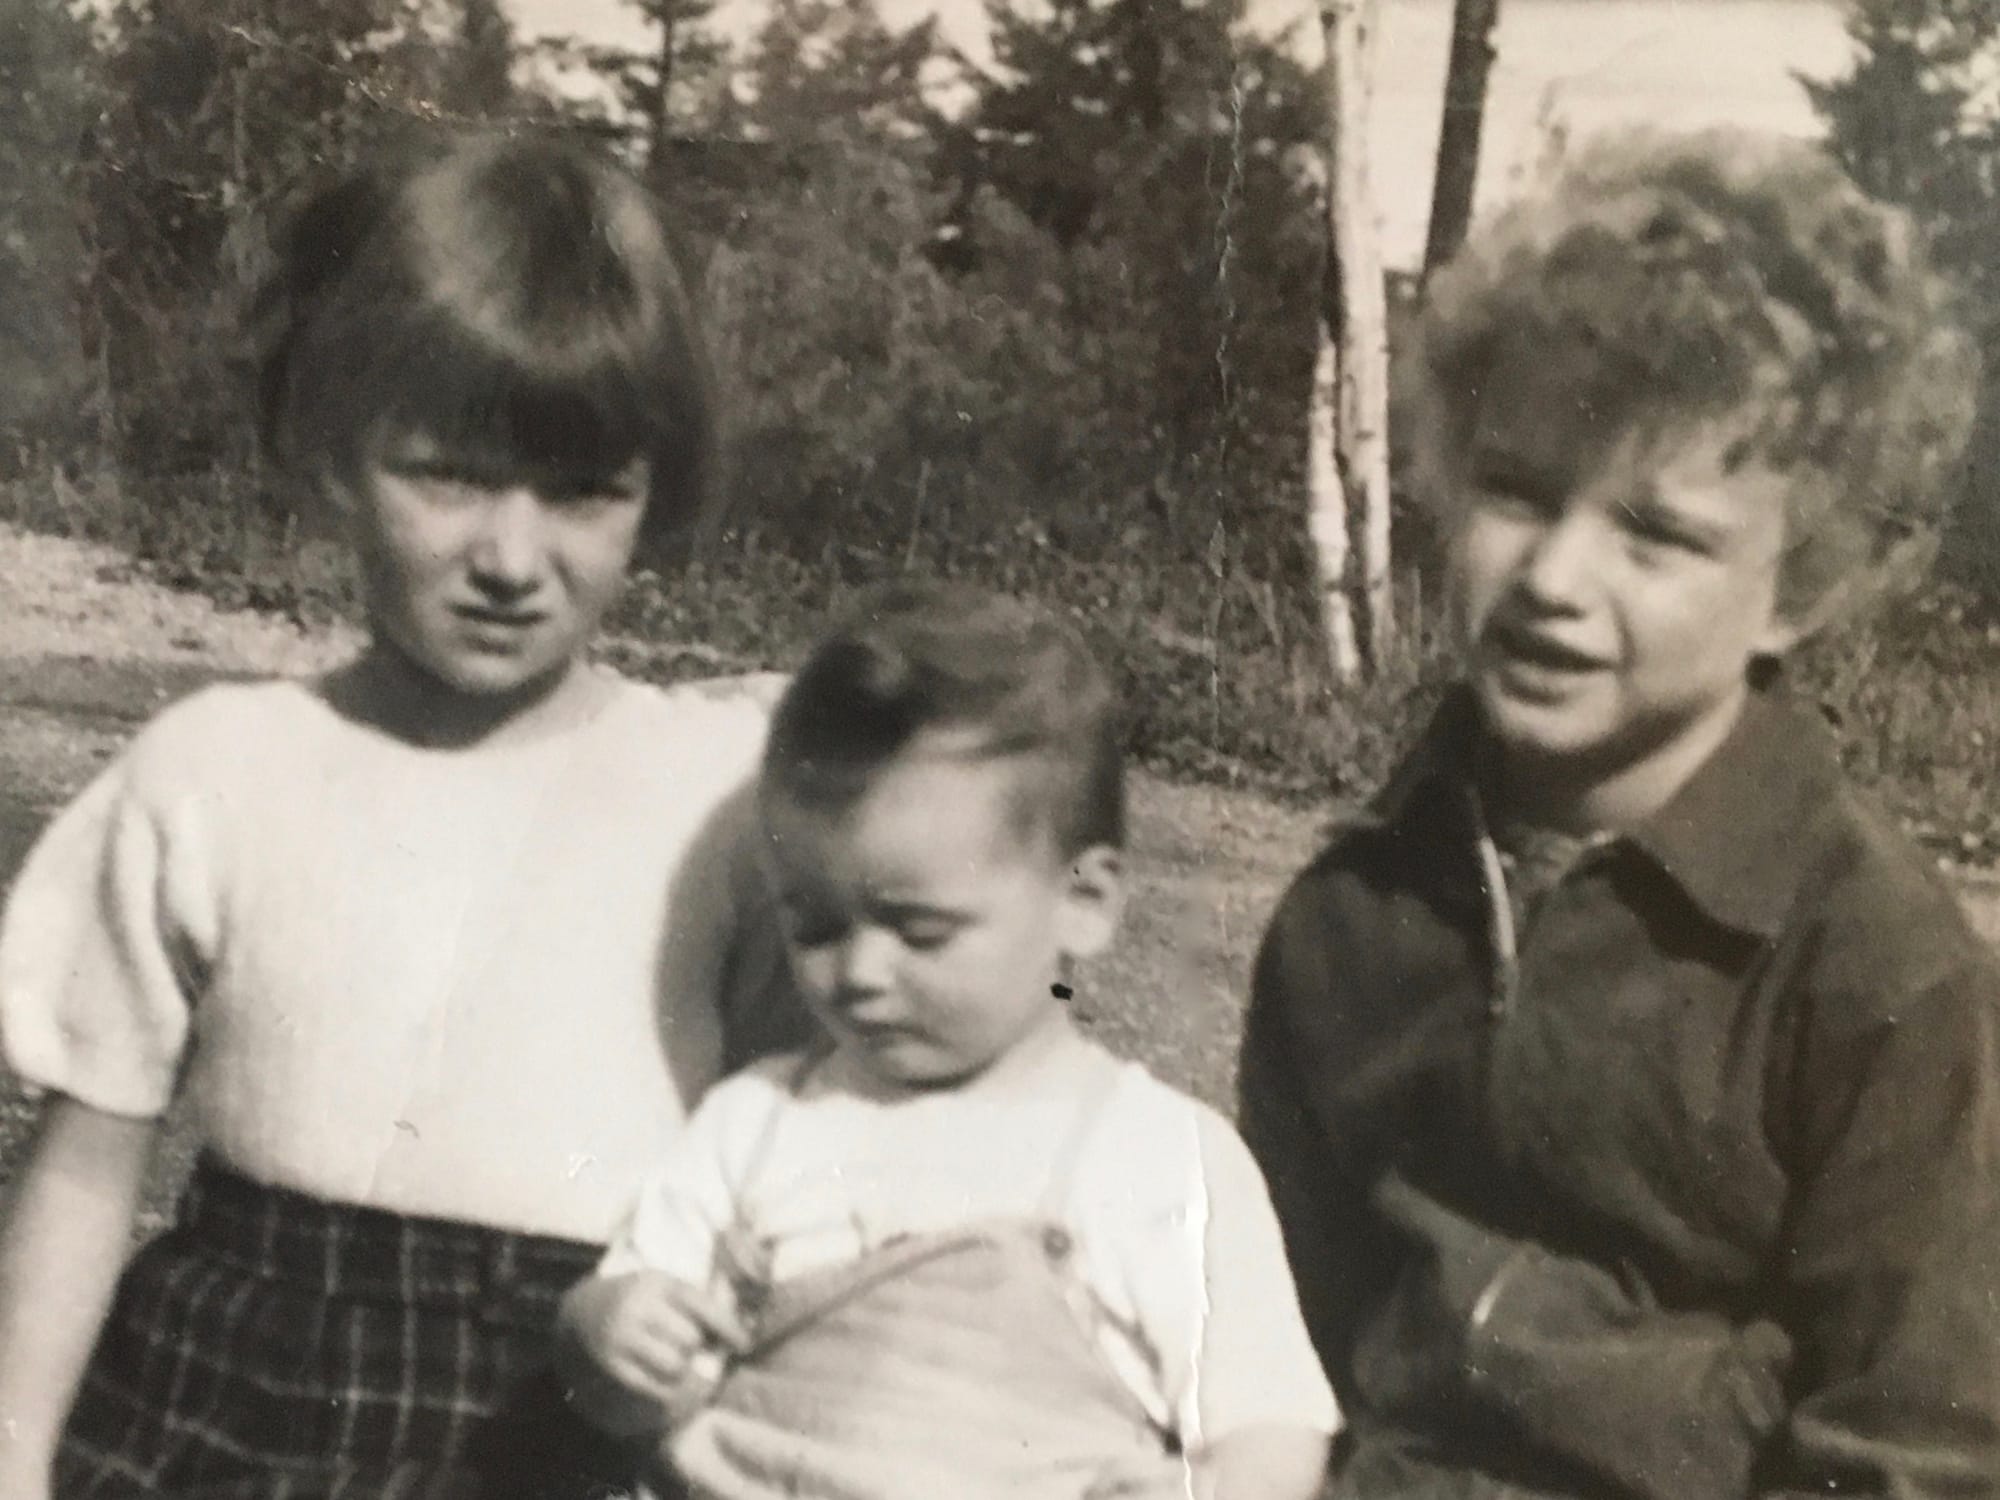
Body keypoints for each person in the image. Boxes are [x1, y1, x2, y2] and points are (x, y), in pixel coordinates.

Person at [0, 131, 805, 1500]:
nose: (509, 555)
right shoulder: (216, 769)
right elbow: (83, 1171)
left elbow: (810, 1163)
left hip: (573, 1415)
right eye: (445, 472)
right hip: (232, 1409)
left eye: (580, 492)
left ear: (651, 493)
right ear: (330, 452)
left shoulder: (725, 800)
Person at [1240, 128, 2000, 1500]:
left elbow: (1915, 1448)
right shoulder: (1349, 922)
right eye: (1520, 493)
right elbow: (1262, 1356)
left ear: (1800, 587)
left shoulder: (1878, 973)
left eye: (1656, 533)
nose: (1557, 579)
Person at [557, 582, 1339, 1500]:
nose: (858, 973)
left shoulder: (1162, 1157)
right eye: (813, 926)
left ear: (1083, 904)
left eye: (919, 931)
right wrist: (606, 1334)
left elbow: (1269, 1431)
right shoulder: (761, 1121)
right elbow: (622, 1386)